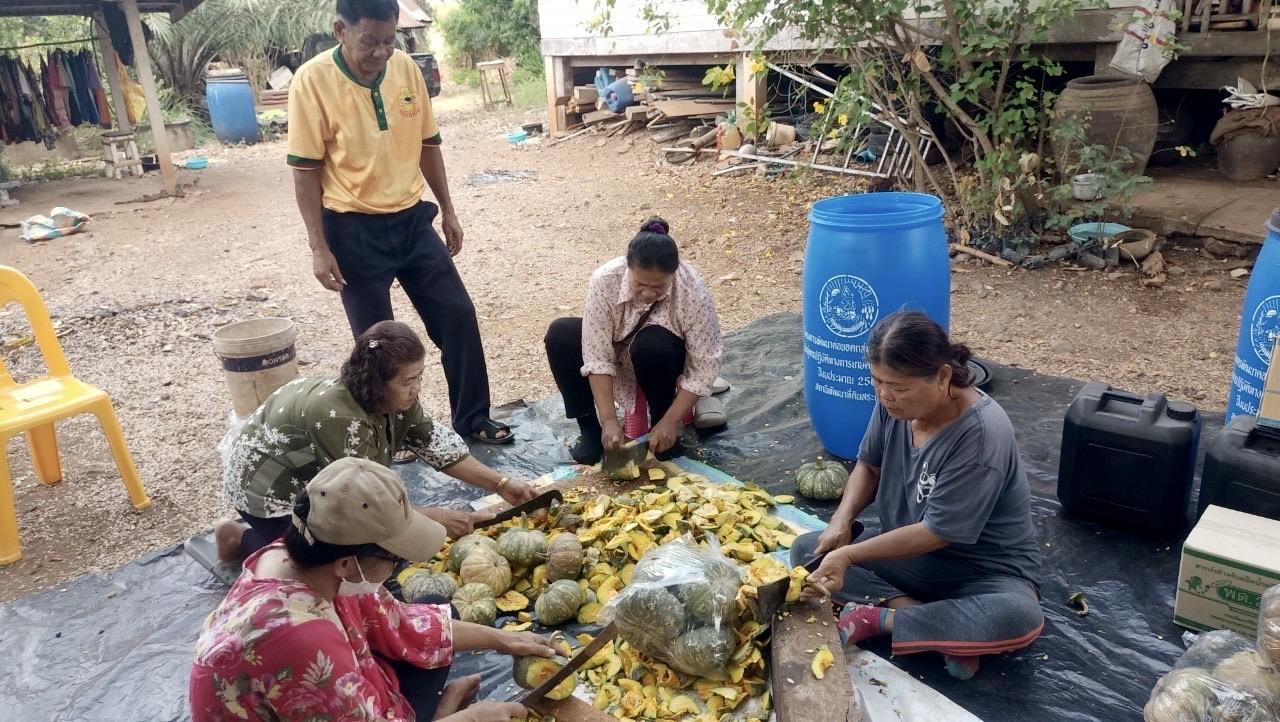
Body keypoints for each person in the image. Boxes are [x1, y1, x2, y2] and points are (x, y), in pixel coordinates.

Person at [288, 0, 513, 445]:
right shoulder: (312, 81)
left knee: (458, 317)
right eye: (369, 42)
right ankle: (390, 436)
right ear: (340, 30)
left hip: (412, 221)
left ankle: (472, 419)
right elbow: (304, 171)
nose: (380, 52)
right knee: (376, 346)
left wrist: (448, 209)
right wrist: (319, 246)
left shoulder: (406, 69)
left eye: (389, 41)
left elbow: (428, 145)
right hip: (352, 229)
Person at [191, 457, 551, 722]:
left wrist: (504, 640)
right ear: (346, 564)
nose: (398, 566)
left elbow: (404, 623)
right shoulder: (302, 639)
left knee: (436, 607)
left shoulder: (305, 554)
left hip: (325, 692)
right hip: (310, 685)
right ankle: (440, 711)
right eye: (394, 558)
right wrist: (473, 718)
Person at [794, 311, 1043, 681]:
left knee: (1018, 617)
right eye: (877, 380)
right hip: (911, 558)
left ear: (942, 376)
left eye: (898, 387)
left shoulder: (980, 435)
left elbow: (937, 533)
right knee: (808, 551)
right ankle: (932, 626)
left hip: (983, 573)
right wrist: (841, 521)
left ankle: (881, 619)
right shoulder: (892, 405)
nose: (885, 395)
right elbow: (869, 466)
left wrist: (849, 554)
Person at [216, 321, 537, 566]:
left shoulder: (397, 399)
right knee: (329, 563)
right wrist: (439, 516)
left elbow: (439, 447)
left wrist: (502, 484)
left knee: (378, 548)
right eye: (408, 381)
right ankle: (241, 538)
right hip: (268, 493)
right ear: (375, 382)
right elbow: (360, 503)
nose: (416, 388)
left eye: (420, 377)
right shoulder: (342, 420)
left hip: (315, 478)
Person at [543, 217, 726, 465]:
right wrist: (609, 420)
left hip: (661, 358)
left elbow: (704, 366)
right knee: (560, 333)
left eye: (659, 286)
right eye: (640, 284)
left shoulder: (692, 290)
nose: (648, 293)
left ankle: (662, 423)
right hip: (617, 352)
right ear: (628, 267)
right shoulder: (605, 279)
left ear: (674, 273)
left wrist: (670, 421)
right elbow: (597, 354)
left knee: (652, 344)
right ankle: (589, 430)